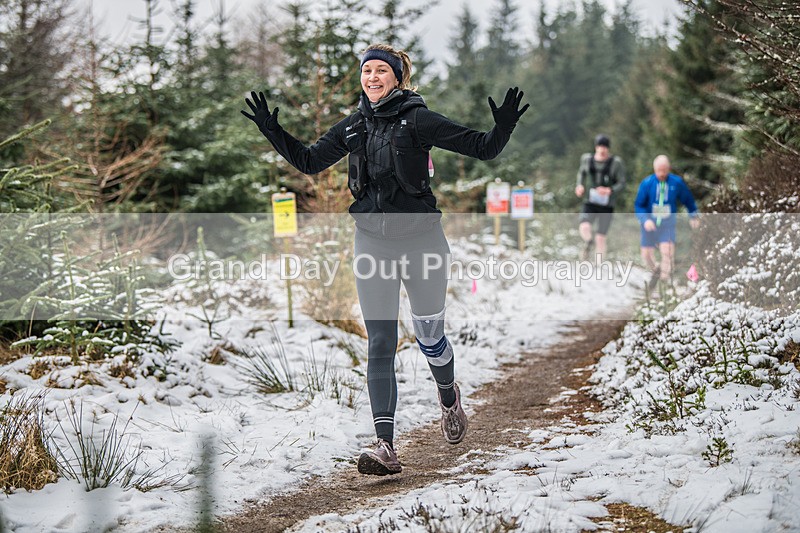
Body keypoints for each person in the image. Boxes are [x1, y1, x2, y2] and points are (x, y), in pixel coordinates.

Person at [241, 43, 529, 476]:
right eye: (367, 71)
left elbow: (483, 148)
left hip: (423, 243)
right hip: (372, 243)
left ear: (398, 77)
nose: (372, 77)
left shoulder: (419, 120)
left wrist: (502, 127)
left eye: (381, 71)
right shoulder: (354, 126)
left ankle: (448, 396)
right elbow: (308, 161)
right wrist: (271, 131)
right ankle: (385, 446)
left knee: (429, 335)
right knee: (380, 342)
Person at [634, 155, 700, 287]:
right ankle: (656, 270)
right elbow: (639, 205)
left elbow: (688, 200)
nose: (662, 174)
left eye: (664, 170)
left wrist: (694, 215)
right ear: (654, 169)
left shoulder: (676, 182)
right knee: (646, 255)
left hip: (667, 224)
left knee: (668, 252)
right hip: (649, 224)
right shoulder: (647, 183)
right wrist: (645, 220)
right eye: (659, 170)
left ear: (669, 168)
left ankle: (664, 282)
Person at [575, 134, 626, 262]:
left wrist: (610, 190)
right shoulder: (587, 159)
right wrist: (579, 186)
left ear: (608, 148)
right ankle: (588, 242)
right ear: (596, 147)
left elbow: (622, 183)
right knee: (585, 226)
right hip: (590, 201)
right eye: (600, 147)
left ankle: (599, 264)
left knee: (601, 237)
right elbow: (581, 173)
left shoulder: (616, 163)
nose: (602, 150)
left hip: (607, 204)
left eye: (605, 147)